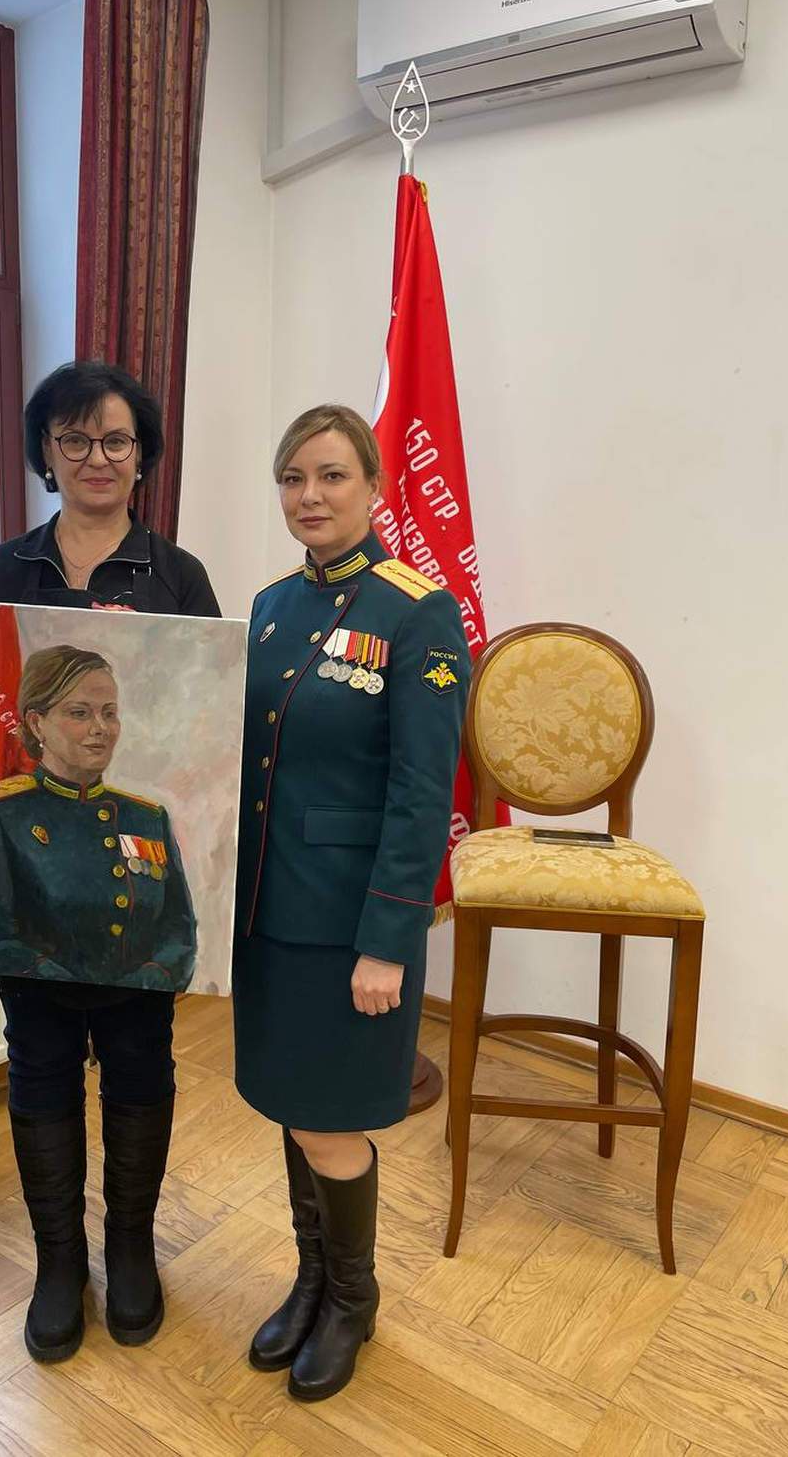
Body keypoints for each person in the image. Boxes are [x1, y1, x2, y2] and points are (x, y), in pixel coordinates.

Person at [0, 361, 220, 1364]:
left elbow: (211, 714)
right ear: (46, 451)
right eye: (74, 439)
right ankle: (57, 1261)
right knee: (39, 1071)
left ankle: (130, 1248)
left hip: (132, 923)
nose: (95, 457)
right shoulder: (3, 569)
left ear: (142, 456)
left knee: (140, 1071)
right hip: (33, 911)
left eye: (115, 440)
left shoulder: (178, 575)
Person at [232, 404, 471, 1402]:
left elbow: (423, 791)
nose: (310, 496)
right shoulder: (270, 605)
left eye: (331, 475)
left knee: (331, 1121)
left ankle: (354, 1301)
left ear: (373, 487)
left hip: (349, 921)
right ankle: (312, 1282)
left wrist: (390, 940)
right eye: (293, 477)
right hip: (268, 913)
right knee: (296, 1108)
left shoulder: (418, 612)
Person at [0, 644, 197, 993]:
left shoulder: (147, 817)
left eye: (109, 713)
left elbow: (179, 928)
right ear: (37, 723)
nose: (100, 728)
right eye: (80, 713)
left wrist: (152, 978)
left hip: (141, 1004)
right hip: (45, 1003)